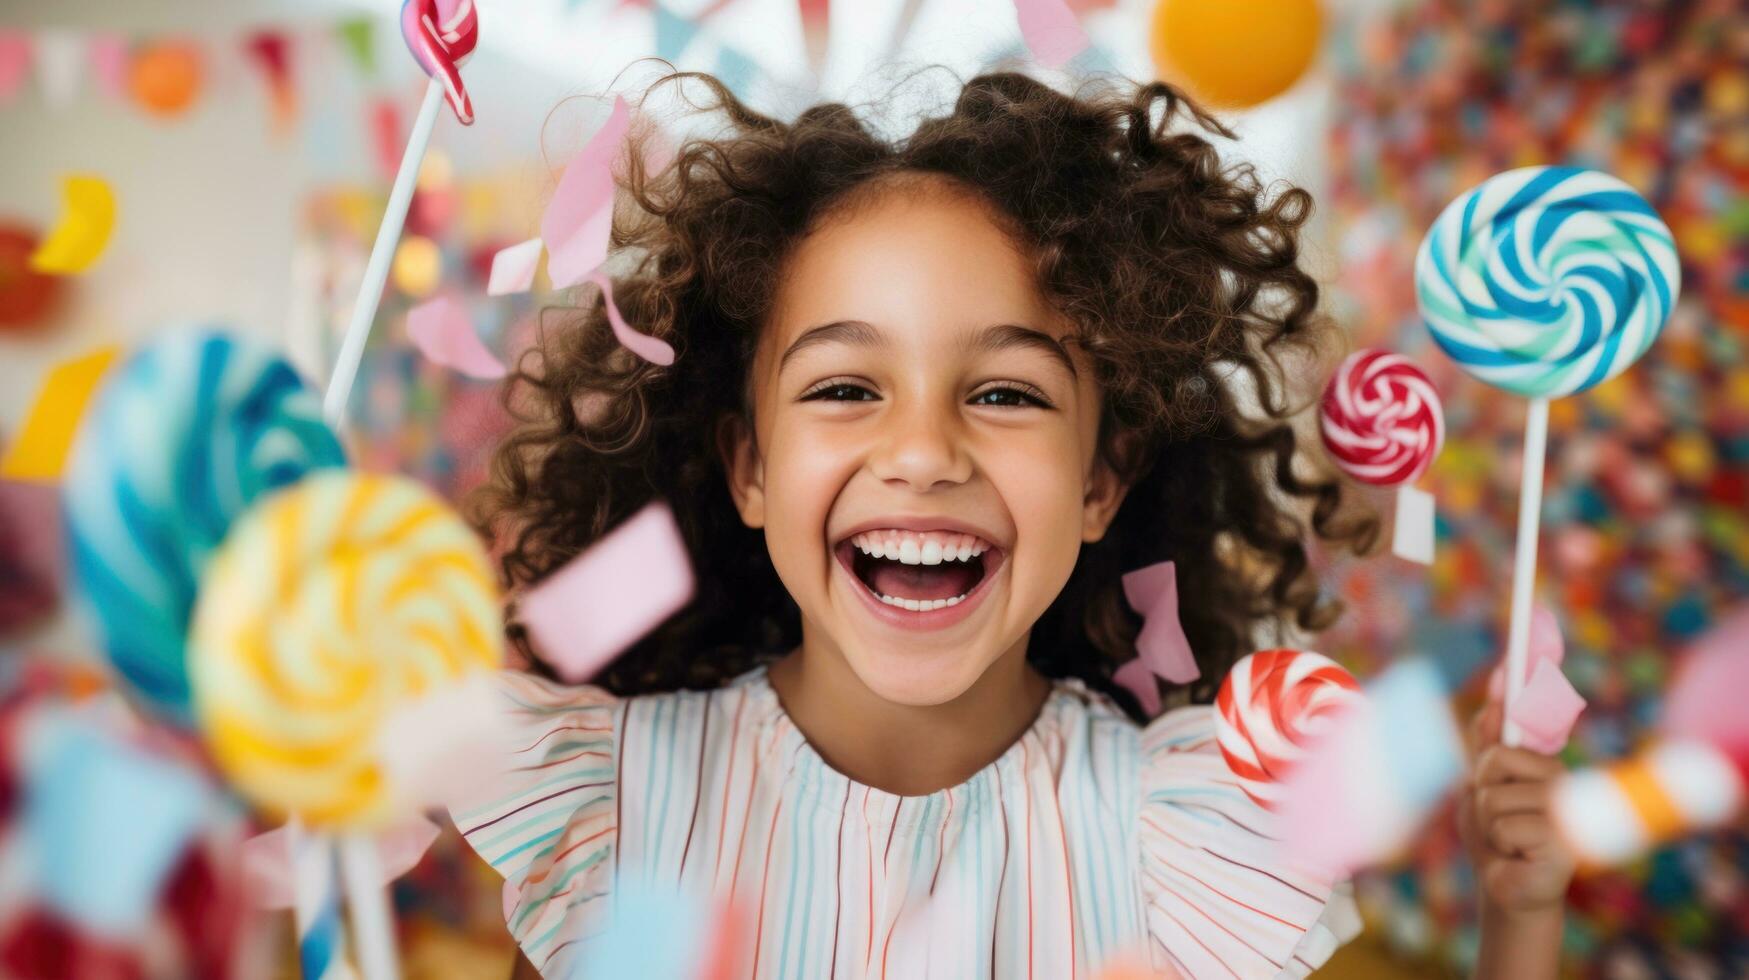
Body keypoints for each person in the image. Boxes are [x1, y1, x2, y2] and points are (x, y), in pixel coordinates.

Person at [448, 66, 1571, 978]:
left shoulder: (1178, 837)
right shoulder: (616, 804)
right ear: (749, 465)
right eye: (845, 386)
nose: (926, 451)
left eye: (1007, 393)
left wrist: (1517, 918)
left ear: (1099, 481)